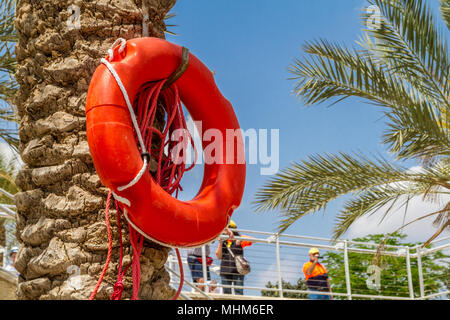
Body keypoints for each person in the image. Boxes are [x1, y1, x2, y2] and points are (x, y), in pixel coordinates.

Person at [216, 220, 252, 295]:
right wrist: (220, 243)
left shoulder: (238, 240)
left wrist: (239, 238)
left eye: (227, 229)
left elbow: (252, 240)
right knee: (226, 294)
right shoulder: (223, 241)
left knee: (239, 293)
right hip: (225, 270)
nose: (225, 232)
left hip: (238, 271)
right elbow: (219, 256)